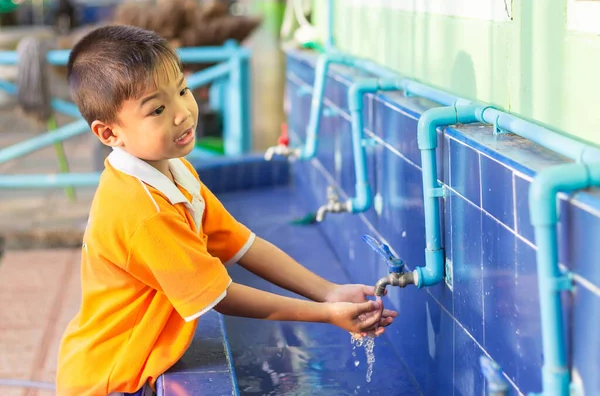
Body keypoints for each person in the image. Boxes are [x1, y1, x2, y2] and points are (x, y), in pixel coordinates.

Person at [56, 25, 397, 396]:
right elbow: (222, 297)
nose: (182, 113)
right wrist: (326, 316)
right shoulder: (144, 211)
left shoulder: (173, 170)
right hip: (112, 379)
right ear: (109, 134)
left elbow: (241, 244)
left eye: (183, 90)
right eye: (157, 109)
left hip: (126, 367)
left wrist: (328, 292)